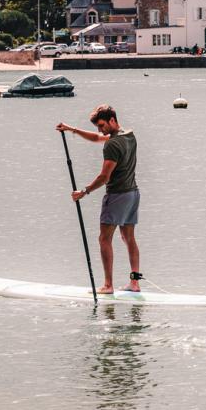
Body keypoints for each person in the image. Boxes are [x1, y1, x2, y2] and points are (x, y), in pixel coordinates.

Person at [57, 104, 141, 294]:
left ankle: (108, 285)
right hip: (133, 194)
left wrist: (83, 191)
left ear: (112, 120)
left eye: (102, 125)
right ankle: (135, 283)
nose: (100, 129)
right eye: (98, 126)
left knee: (104, 239)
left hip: (117, 195)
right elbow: (97, 138)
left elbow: (104, 177)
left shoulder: (112, 144)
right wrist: (72, 130)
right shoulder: (128, 134)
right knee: (128, 238)